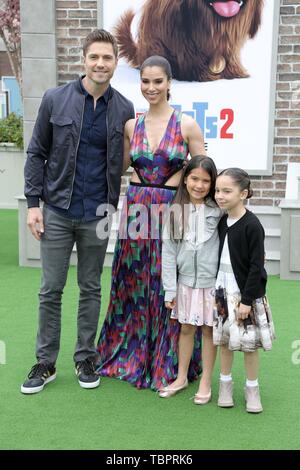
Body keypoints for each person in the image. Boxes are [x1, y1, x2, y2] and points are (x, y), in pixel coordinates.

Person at [21, 29, 135, 394]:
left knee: (90, 288)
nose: (100, 63)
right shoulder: (55, 99)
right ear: (83, 59)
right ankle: (45, 362)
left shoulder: (124, 108)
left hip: (98, 212)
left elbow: (128, 160)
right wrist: (33, 205)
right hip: (56, 209)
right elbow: (36, 152)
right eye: (94, 57)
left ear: (116, 63)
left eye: (107, 58)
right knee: (50, 289)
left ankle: (86, 357)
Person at [96, 55, 206, 390]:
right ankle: (131, 353)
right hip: (137, 212)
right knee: (132, 282)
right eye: (145, 81)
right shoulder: (133, 125)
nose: (151, 87)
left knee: (168, 283)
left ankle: (171, 360)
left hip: (172, 211)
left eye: (158, 81)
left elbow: (203, 173)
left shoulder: (187, 125)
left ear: (170, 83)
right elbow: (121, 166)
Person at [159, 156, 222, 403]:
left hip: (211, 285)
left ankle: (206, 381)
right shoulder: (175, 212)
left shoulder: (218, 211)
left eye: (206, 180)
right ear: (185, 180)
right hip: (184, 284)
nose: (199, 185)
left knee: (208, 331)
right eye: (195, 178)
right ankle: (181, 377)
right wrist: (169, 290)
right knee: (186, 329)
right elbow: (168, 252)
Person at [213, 168, 276, 413]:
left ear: (244, 193)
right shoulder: (221, 221)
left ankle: (252, 390)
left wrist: (247, 300)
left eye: (227, 191)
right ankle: (225, 385)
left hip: (245, 294)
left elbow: (256, 265)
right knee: (226, 342)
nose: (220, 195)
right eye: (218, 190)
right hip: (222, 290)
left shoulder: (252, 225)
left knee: (249, 345)